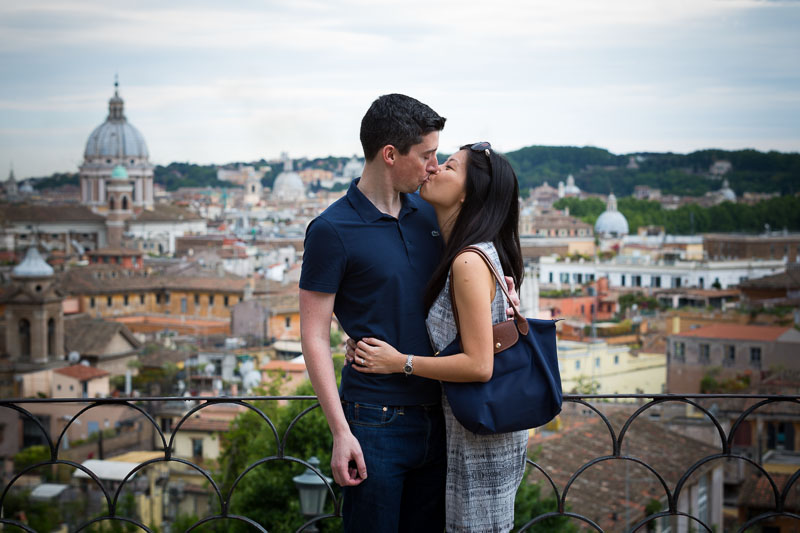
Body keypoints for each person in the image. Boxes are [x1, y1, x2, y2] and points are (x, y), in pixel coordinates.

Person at [351, 142, 529, 532]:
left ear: (468, 193)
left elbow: (479, 365)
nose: (433, 169)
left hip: (476, 437)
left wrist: (398, 362)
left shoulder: (467, 259)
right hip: (478, 429)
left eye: (448, 166)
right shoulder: (469, 250)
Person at [299, 94, 448, 532]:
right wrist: (340, 431)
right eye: (426, 154)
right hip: (374, 420)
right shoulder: (331, 230)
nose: (434, 166)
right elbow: (313, 336)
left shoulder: (430, 214)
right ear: (390, 155)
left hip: (442, 414)